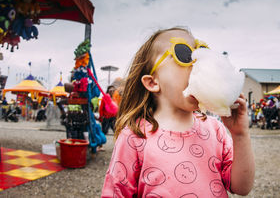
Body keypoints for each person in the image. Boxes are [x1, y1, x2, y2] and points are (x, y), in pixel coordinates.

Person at [101, 27, 254, 197]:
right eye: (184, 55)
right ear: (153, 82)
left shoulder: (215, 130)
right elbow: (116, 193)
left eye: (201, 51)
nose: (198, 61)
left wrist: (240, 135)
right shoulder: (134, 137)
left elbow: (241, 188)